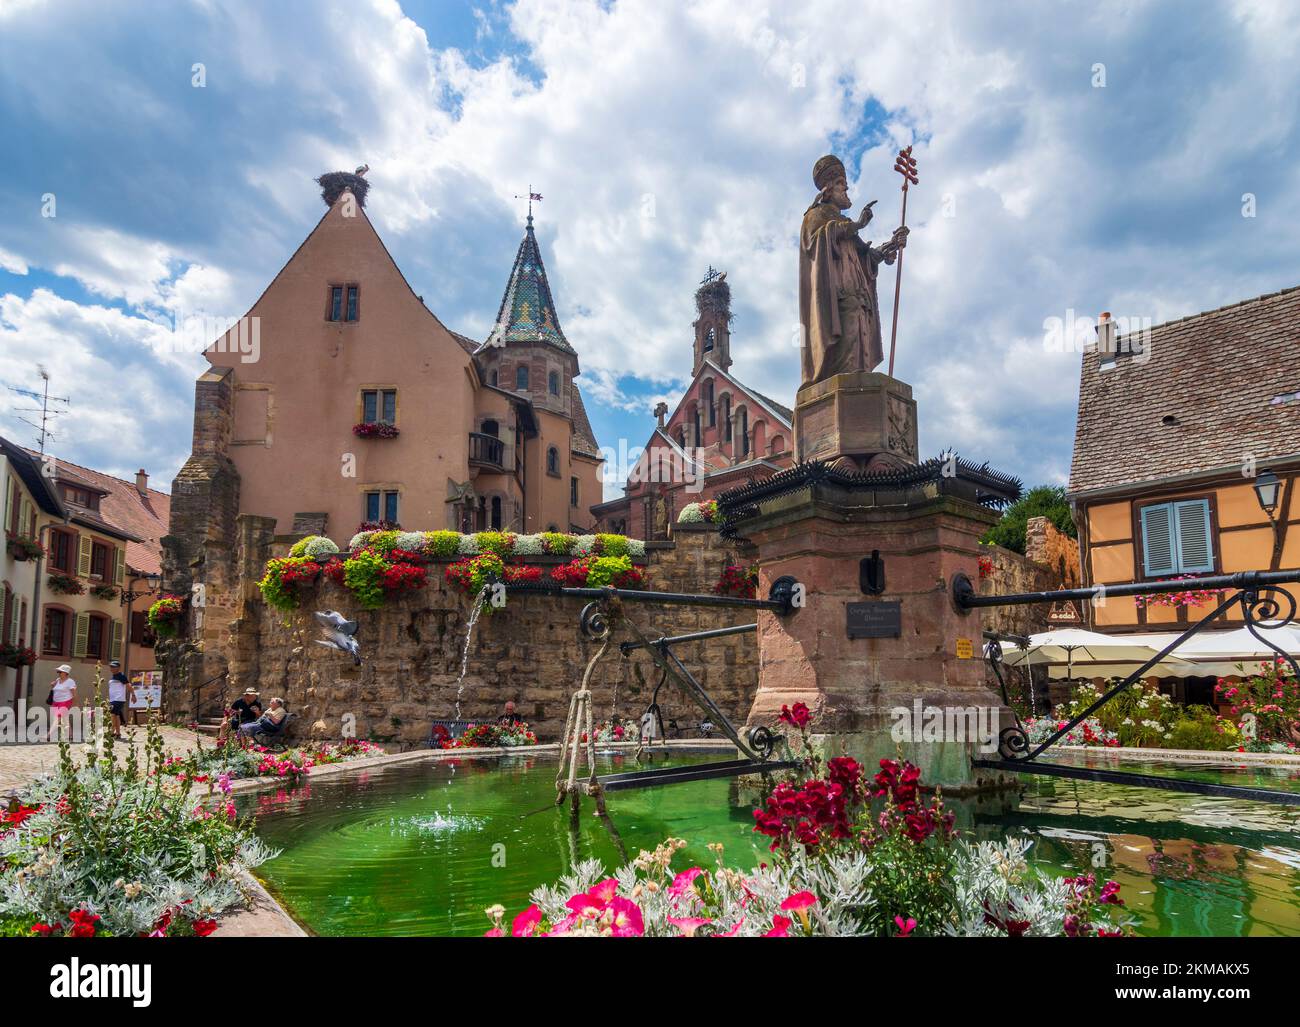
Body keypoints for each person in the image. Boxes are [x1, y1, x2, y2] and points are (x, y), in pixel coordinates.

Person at [48, 665, 77, 740]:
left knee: (57, 718)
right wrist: (52, 685)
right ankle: (70, 735)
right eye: (58, 672)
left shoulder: (70, 681)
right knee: (64, 719)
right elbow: (54, 689)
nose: (58, 673)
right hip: (56, 702)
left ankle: (48, 735)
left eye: (60, 672)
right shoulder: (57, 680)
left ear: (65, 673)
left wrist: (74, 704)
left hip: (65, 702)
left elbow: (74, 694)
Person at [107, 660, 129, 739]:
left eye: (114, 667)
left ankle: (112, 732)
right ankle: (118, 733)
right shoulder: (113, 676)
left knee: (112, 714)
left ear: (118, 668)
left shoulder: (121, 676)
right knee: (116, 715)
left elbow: (128, 685)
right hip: (113, 699)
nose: (112, 668)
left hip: (119, 699)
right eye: (111, 667)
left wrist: (133, 695)